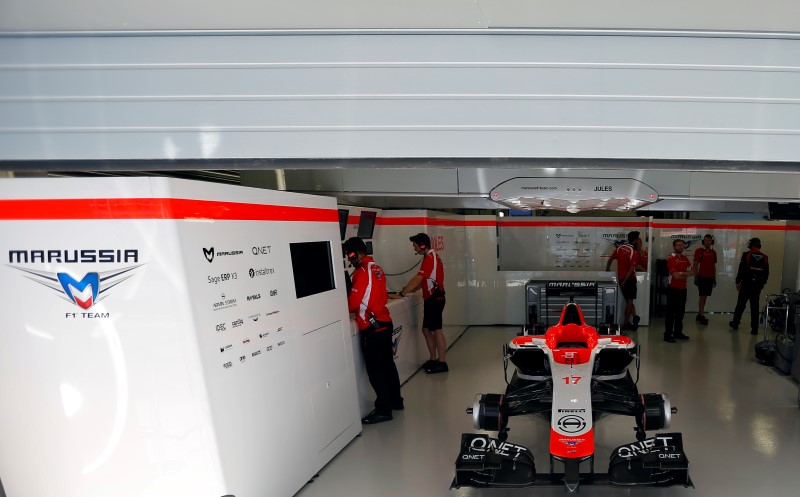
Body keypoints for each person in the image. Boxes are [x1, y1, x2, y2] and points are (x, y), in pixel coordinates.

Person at [344, 237, 403, 424]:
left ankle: (383, 410)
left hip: (372, 328)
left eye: (348, 255)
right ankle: (396, 401)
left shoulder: (361, 271)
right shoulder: (376, 268)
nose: (348, 258)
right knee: (388, 366)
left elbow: (352, 302)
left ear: (353, 253)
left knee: (376, 371)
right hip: (385, 322)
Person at [400, 233, 448, 374]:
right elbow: (425, 281)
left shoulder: (430, 258)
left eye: (415, 246)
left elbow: (418, 278)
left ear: (422, 246)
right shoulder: (430, 257)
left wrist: (404, 292)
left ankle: (442, 362)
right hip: (432, 299)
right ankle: (434, 359)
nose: (414, 249)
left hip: (434, 299)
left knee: (436, 330)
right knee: (426, 329)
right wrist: (408, 290)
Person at [730, 238, 769, 335]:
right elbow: (766, 273)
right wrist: (762, 283)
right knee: (755, 306)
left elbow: (741, 269)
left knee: (741, 304)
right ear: (759, 246)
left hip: (746, 284)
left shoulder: (746, 255)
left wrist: (738, 281)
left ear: (751, 245)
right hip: (757, 286)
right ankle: (754, 329)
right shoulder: (765, 257)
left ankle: (735, 323)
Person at [606, 231, 641, 330]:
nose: (638, 241)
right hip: (629, 279)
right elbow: (631, 269)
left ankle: (634, 317)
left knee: (627, 300)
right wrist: (625, 281)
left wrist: (607, 270)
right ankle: (626, 322)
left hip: (621, 278)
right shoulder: (634, 252)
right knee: (630, 301)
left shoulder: (619, 248)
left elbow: (610, 260)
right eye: (638, 239)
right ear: (634, 240)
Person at [664, 239, 694, 343]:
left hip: (683, 289)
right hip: (673, 289)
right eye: (678, 245)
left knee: (680, 313)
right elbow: (675, 276)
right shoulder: (671, 259)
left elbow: (693, 272)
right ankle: (668, 334)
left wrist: (682, 273)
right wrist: (685, 274)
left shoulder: (685, 258)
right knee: (670, 314)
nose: (680, 247)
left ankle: (678, 333)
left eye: (682, 245)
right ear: (674, 247)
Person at [692, 234, 717, 325]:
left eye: (709, 241)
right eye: (706, 240)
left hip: (710, 278)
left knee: (705, 296)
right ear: (703, 242)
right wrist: (695, 277)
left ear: (711, 242)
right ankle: (702, 316)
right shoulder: (699, 251)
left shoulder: (713, 252)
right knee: (702, 296)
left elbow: (713, 266)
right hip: (701, 277)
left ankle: (699, 314)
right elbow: (695, 264)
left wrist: (714, 278)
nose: (708, 242)